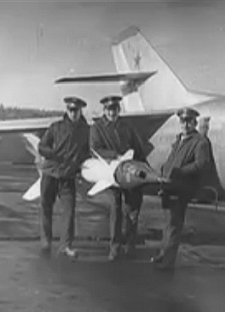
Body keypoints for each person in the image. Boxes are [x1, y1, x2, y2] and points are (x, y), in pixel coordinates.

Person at [151, 107, 213, 270]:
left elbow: (201, 164)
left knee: (174, 225)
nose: (185, 125)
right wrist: (164, 171)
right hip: (169, 186)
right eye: (183, 122)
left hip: (181, 187)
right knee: (168, 223)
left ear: (194, 123)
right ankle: (163, 254)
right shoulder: (179, 140)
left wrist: (180, 172)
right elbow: (172, 160)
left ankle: (168, 261)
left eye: (189, 122)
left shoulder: (200, 142)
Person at [90, 95, 147, 261]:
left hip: (129, 173)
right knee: (116, 209)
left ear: (118, 110)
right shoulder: (97, 128)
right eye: (109, 109)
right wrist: (116, 155)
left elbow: (138, 148)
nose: (112, 112)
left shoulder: (127, 127)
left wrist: (144, 170)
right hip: (111, 173)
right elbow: (95, 149)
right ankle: (115, 247)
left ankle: (130, 245)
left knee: (132, 209)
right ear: (104, 110)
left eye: (115, 109)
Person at [38, 96, 90, 259]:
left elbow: (87, 151)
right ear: (67, 111)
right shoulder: (56, 127)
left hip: (68, 177)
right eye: (71, 110)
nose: (74, 113)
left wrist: (83, 168)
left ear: (81, 111)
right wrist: (53, 154)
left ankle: (65, 245)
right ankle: (46, 241)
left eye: (76, 110)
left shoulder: (85, 130)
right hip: (50, 173)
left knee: (69, 211)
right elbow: (42, 146)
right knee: (46, 207)